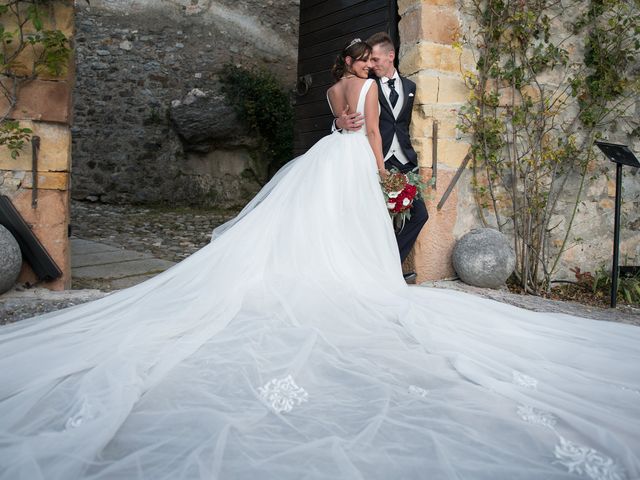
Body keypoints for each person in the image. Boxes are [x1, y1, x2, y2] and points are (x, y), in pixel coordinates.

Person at [0, 40, 639, 480]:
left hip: (320, 155)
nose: (367, 66)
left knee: (317, 224)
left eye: (369, 60)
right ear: (357, 63)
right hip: (350, 160)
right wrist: (375, 166)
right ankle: (362, 277)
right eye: (365, 59)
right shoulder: (361, 87)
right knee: (349, 225)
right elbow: (361, 130)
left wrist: (353, 135)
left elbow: (335, 120)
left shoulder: (335, 86)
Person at [335, 33, 428, 282]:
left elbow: (402, 123)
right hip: (378, 160)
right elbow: (350, 116)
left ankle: (386, 268)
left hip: (406, 161)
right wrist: (338, 122)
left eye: (376, 59)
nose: (372, 64)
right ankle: (377, 272)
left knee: (419, 215)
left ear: (391, 56)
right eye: (368, 60)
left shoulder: (410, 87)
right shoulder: (367, 84)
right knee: (374, 219)